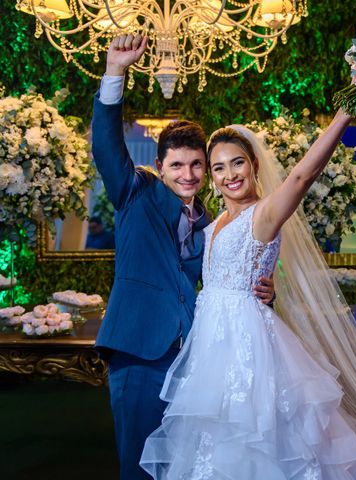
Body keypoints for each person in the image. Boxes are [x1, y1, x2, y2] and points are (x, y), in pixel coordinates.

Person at [139, 58, 356, 480]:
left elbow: (301, 176)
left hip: (250, 344)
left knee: (265, 443)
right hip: (211, 345)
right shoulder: (214, 220)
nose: (228, 174)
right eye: (218, 167)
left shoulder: (265, 213)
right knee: (213, 446)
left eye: (237, 162)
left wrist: (346, 111)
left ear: (254, 165)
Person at [91, 34, 275, 480]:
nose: (188, 174)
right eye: (176, 165)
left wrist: (266, 290)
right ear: (158, 165)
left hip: (193, 357)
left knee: (182, 464)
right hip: (137, 351)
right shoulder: (136, 192)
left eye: (197, 165)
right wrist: (115, 71)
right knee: (138, 464)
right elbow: (104, 146)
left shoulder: (214, 221)